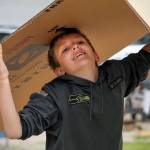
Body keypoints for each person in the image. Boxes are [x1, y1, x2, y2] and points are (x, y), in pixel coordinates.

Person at [0, 27, 150, 150]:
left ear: (96, 55)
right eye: (65, 50)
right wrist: (3, 79)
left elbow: (146, 58)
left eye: (80, 42)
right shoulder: (54, 95)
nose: (75, 46)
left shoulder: (117, 73)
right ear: (59, 70)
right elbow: (15, 130)